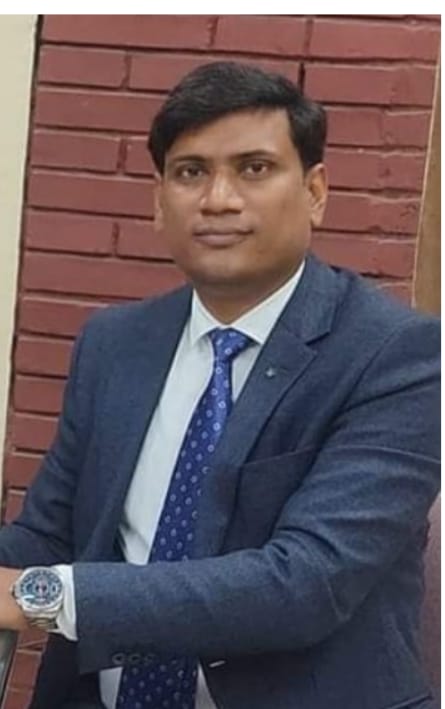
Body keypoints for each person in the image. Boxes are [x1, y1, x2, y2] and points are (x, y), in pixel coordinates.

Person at [0, 61, 440, 709]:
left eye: (254, 168)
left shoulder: (398, 355)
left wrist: (38, 595)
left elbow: (305, 582)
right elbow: (46, 536)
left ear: (315, 191)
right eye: (190, 172)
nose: (218, 200)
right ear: (158, 201)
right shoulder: (115, 342)